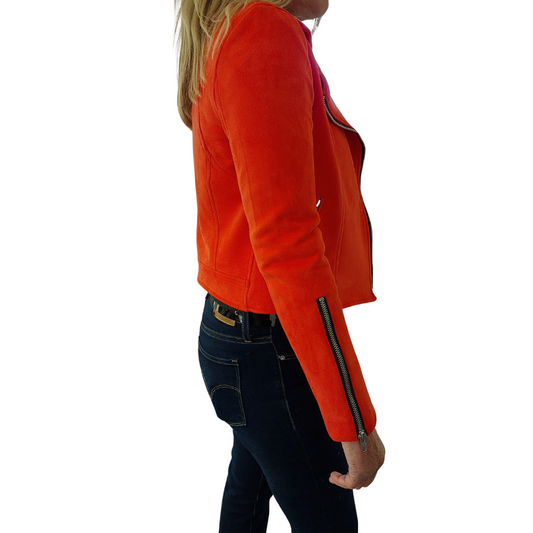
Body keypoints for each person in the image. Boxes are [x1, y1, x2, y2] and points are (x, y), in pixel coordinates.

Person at [175, 1, 385, 531]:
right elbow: (287, 245)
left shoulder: (233, 29)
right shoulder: (263, 36)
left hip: (240, 336)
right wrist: (354, 421)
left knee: (246, 500)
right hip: (269, 347)